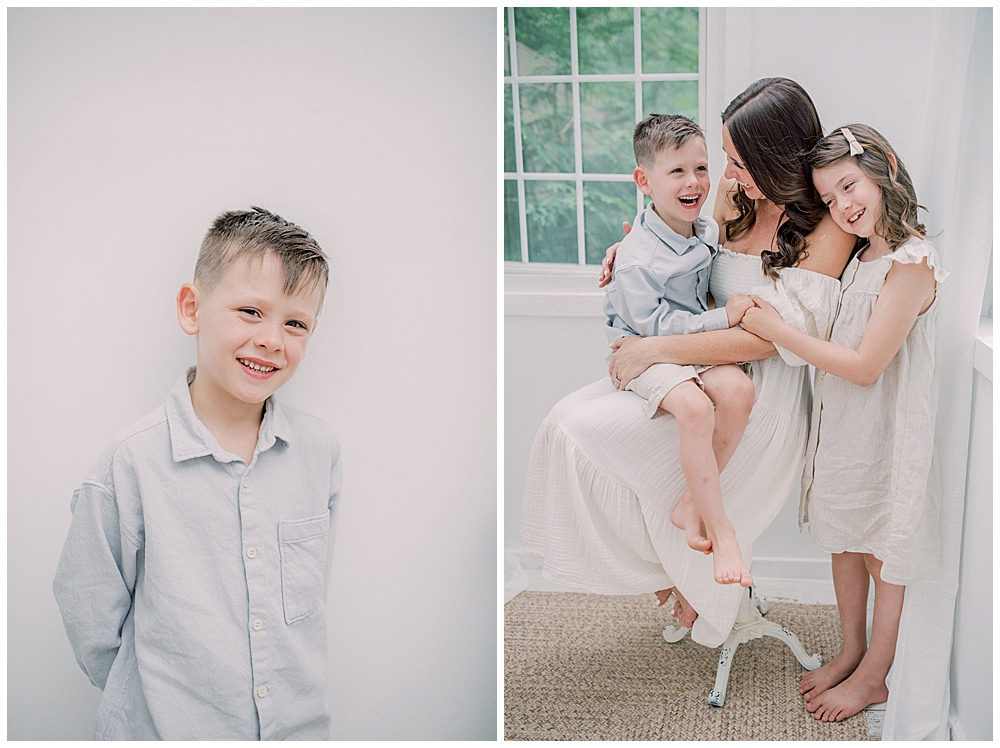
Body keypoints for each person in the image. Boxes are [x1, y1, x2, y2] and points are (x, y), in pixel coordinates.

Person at [519, 78, 856, 647]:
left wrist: (653, 349)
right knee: (569, 424)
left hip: (761, 395)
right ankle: (674, 578)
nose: (726, 173)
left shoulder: (827, 224)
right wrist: (631, 252)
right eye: (724, 157)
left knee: (621, 440)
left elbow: (772, 343)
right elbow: (685, 253)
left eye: (738, 159)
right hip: (699, 363)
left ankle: (691, 569)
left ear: (775, 157)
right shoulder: (734, 195)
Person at [52, 207, 342, 740]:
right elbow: (91, 619)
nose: (272, 340)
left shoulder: (318, 451)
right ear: (192, 308)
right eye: (250, 311)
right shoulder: (130, 464)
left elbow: (306, 598)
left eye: (294, 323)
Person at [741, 125, 946, 722]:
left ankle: (876, 674)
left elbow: (864, 366)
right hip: (844, 432)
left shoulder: (911, 263)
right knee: (843, 543)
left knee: (882, 548)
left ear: (883, 167)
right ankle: (851, 648)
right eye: (830, 199)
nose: (844, 206)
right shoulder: (860, 256)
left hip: (885, 431)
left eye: (850, 187)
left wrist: (781, 334)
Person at [603, 113, 755, 586]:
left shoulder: (705, 232)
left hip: (685, 345)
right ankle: (721, 528)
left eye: (701, 168)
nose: (694, 183)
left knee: (738, 391)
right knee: (693, 407)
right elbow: (657, 331)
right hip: (644, 349)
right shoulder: (635, 261)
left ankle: (690, 503)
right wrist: (724, 318)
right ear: (644, 181)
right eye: (677, 172)